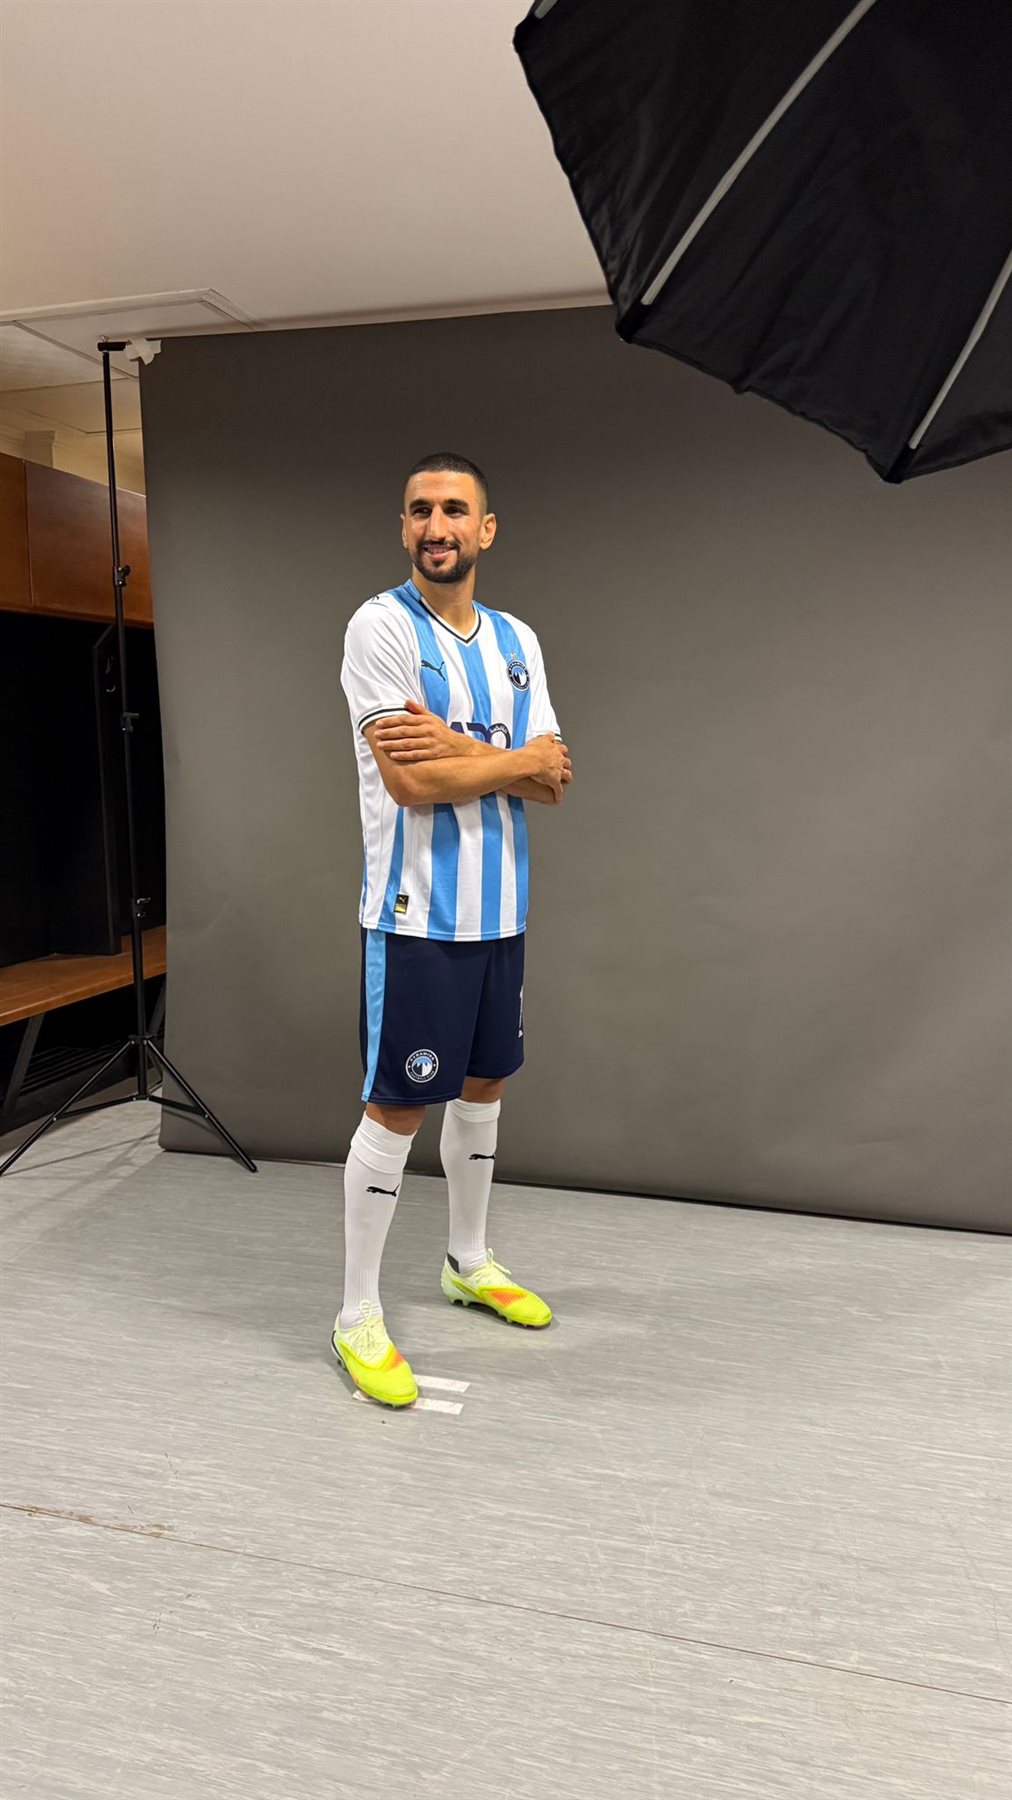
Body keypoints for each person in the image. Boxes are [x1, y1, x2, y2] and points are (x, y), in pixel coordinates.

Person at [334, 452, 572, 1406]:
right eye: (420, 509)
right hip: (416, 916)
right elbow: (410, 782)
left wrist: (467, 751)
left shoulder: (518, 639)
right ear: (404, 528)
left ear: (486, 529)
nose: (437, 526)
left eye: (455, 510)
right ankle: (356, 1314)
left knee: (485, 1088)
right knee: (399, 1104)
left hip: (501, 911)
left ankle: (467, 1262)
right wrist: (509, 760)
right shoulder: (379, 627)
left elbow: (555, 778)